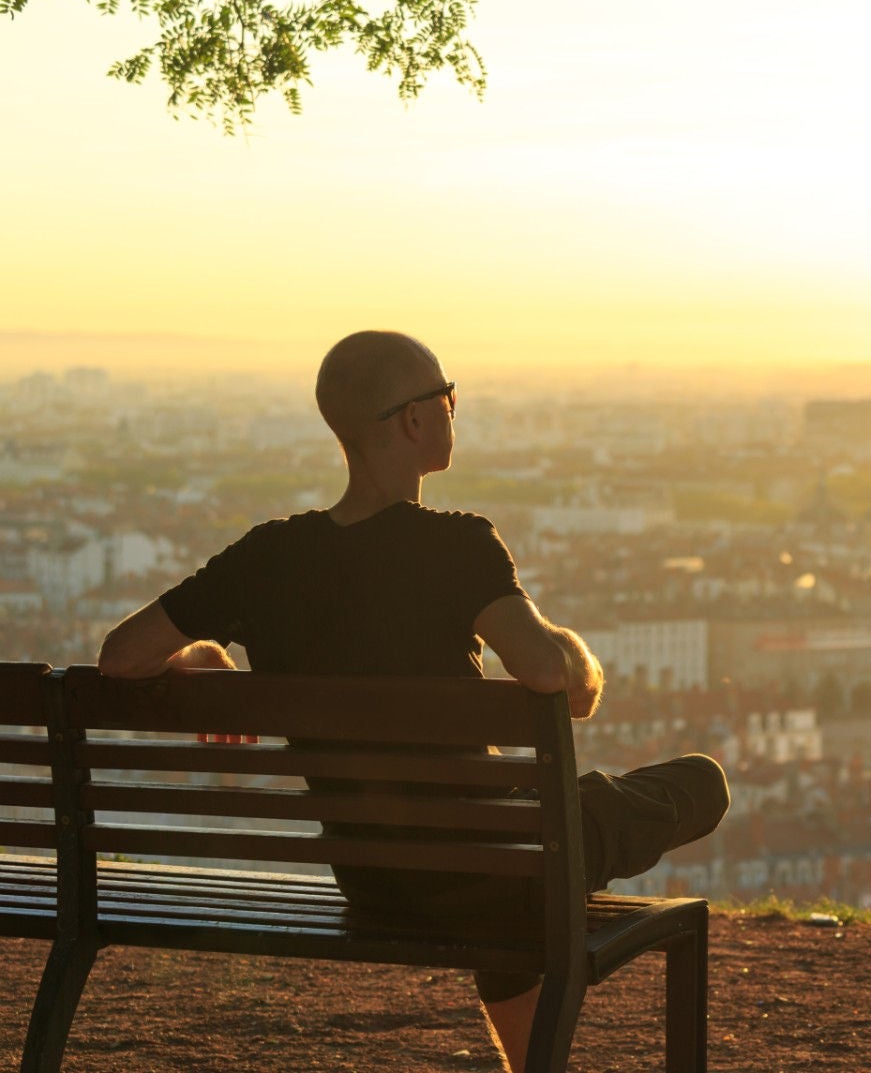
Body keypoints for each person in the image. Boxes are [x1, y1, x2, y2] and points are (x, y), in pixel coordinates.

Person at [96, 330, 729, 1072]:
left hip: (372, 881)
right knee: (695, 783)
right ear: (414, 421)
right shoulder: (459, 546)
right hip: (494, 865)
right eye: (448, 395)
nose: (454, 409)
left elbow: (121, 655)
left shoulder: (266, 557)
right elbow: (553, 675)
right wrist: (573, 653)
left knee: (516, 858)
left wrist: (205, 656)